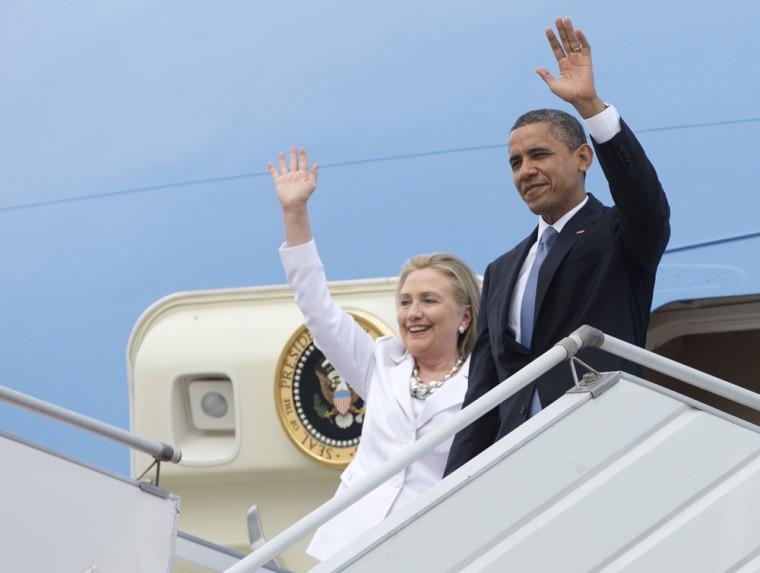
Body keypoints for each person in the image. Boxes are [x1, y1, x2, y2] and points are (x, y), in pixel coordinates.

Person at [444, 18, 670, 475]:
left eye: (539, 155)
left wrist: (591, 107)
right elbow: (484, 397)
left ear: (583, 158)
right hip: (518, 460)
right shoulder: (503, 269)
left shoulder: (617, 235)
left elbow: (646, 203)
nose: (525, 170)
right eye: (515, 162)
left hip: (601, 443)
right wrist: (446, 495)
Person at [268, 147, 481, 561]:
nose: (413, 313)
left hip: (428, 550)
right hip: (350, 545)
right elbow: (318, 309)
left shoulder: (483, 383)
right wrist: (295, 214)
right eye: (405, 302)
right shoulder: (381, 362)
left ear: (464, 316)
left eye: (429, 300)